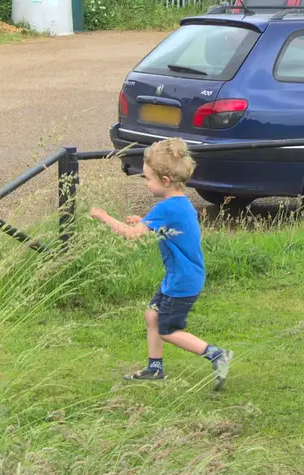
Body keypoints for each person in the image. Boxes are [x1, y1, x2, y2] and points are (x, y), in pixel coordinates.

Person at [88, 138, 232, 388]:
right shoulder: (179, 204)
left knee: (168, 329)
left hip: (182, 280)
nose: (146, 183)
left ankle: (216, 354)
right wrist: (143, 221)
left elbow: (132, 236)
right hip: (181, 276)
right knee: (152, 316)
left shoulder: (167, 208)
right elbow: (161, 226)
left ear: (165, 181)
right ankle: (155, 369)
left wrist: (104, 216)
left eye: (148, 178)